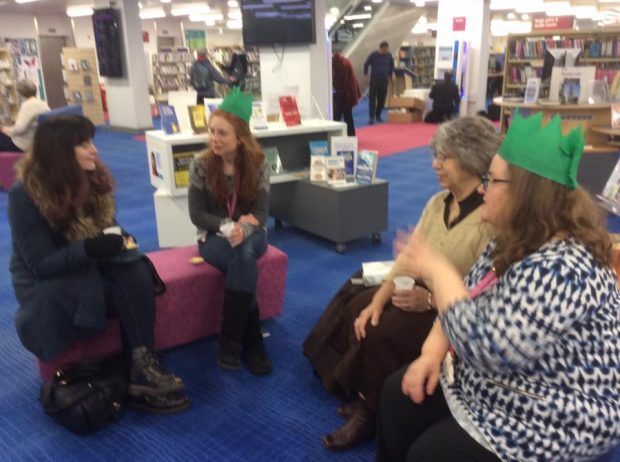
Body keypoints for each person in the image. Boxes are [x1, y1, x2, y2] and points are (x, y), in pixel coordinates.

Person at [377, 110, 620, 461]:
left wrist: (438, 270)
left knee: (430, 454)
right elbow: (471, 295)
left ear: (526, 194)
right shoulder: (514, 239)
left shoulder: (564, 268)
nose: (482, 189)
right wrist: (431, 354)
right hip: (507, 384)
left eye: (492, 180)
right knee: (398, 396)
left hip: (556, 414)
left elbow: (490, 349)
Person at [303, 116, 501, 451]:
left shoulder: (489, 218)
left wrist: (429, 300)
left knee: (385, 331)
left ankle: (368, 410)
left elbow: (480, 294)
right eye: (435, 155)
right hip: (416, 292)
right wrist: (379, 298)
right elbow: (409, 256)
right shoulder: (437, 203)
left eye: (445, 157)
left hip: (447, 313)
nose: (435, 164)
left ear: (472, 160)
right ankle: (366, 390)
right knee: (359, 304)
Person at [8, 115, 189, 414]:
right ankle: (141, 370)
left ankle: (142, 363)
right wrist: (91, 248)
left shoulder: (90, 179)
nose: (95, 150)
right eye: (84, 144)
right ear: (60, 153)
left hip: (87, 270)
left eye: (91, 141)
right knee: (130, 275)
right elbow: (40, 265)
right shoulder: (25, 195)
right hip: (47, 286)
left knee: (135, 267)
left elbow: (107, 230)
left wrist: (118, 238)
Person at [188, 87, 272, 376]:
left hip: (251, 233)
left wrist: (244, 228)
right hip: (212, 236)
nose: (214, 138)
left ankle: (229, 340)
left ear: (240, 137)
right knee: (243, 260)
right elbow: (196, 214)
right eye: (212, 131)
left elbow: (261, 213)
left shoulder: (259, 163)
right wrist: (227, 226)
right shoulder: (199, 164)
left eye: (222, 133)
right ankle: (252, 342)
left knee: (244, 251)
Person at [0, 79, 49, 152]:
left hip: (22, 145)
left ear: (20, 93)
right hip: (34, 141)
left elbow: (19, 129)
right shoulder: (42, 103)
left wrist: (7, 130)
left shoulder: (28, 105)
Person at [363, 41, 394, 125]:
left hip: (384, 81)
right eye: (385, 50)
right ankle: (371, 117)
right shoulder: (373, 55)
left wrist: (392, 74)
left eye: (387, 50)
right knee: (372, 99)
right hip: (374, 80)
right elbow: (366, 64)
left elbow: (391, 66)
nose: (386, 51)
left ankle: (378, 115)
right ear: (381, 48)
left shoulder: (389, 55)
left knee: (382, 99)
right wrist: (366, 75)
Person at [332, 50, 361, 136]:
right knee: (347, 115)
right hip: (348, 92)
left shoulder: (342, 64)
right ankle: (350, 135)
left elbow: (341, 82)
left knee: (338, 115)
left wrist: (333, 85)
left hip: (346, 93)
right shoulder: (344, 61)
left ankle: (336, 135)